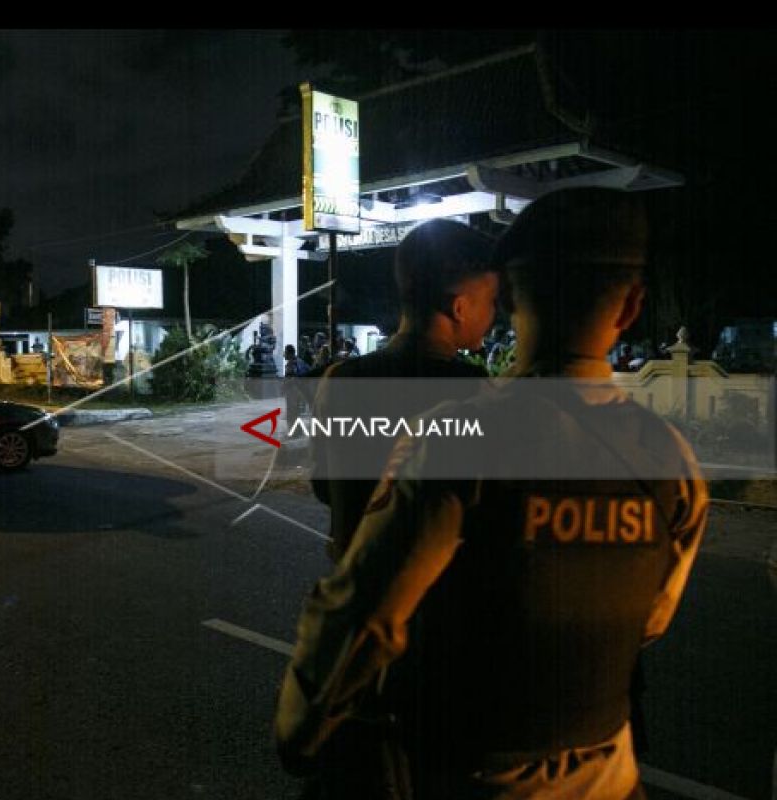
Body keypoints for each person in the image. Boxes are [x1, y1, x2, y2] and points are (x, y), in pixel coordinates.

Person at [276, 188, 709, 799]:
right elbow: (649, 620)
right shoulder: (671, 460)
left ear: (506, 296)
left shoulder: (452, 437)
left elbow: (364, 613)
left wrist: (300, 732)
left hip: (459, 767)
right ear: (634, 305)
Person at [310, 219, 499, 560]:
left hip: (354, 584)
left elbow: (324, 488)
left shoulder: (338, 380)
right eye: (490, 300)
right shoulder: (474, 392)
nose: (493, 313)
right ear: (459, 308)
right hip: (438, 593)